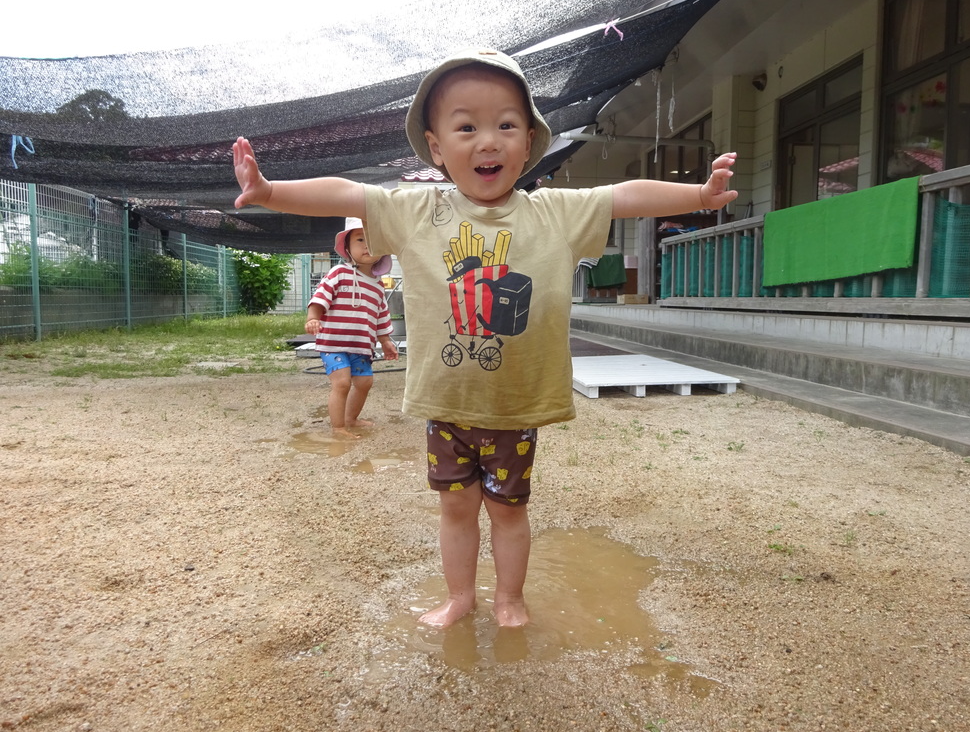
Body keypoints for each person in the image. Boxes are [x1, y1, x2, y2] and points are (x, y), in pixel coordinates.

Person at [233, 47, 737, 629]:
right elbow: (347, 194)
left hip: (513, 408)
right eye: (466, 126)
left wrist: (697, 197)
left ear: (529, 142)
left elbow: (623, 195)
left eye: (506, 125)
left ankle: (509, 599)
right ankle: (460, 597)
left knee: (508, 511)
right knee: (455, 509)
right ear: (438, 147)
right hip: (448, 406)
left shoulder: (553, 214)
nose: (488, 140)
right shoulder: (418, 210)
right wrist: (270, 191)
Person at [305, 217, 398, 439]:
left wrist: (385, 341)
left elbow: (381, 316)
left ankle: (351, 419)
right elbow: (320, 297)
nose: (367, 245)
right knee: (343, 383)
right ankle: (338, 427)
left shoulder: (377, 286)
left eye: (374, 241)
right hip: (334, 343)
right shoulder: (339, 273)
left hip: (361, 346)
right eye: (360, 239)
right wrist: (312, 318)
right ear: (347, 247)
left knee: (365, 382)